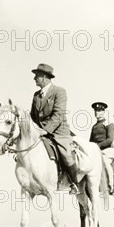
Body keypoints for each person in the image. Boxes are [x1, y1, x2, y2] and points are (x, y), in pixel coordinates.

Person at [29, 63, 79, 195]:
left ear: (44, 77)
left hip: (58, 131)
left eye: (37, 76)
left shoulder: (59, 91)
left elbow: (59, 114)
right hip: (41, 132)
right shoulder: (36, 95)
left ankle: (74, 183)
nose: (34, 78)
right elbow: (33, 116)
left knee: (66, 155)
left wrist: (46, 130)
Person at [90, 101, 114, 194]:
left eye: (99, 110)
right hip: (97, 151)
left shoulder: (108, 123)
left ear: (104, 112)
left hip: (108, 150)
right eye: (95, 111)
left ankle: (110, 186)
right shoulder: (94, 127)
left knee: (104, 162)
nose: (97, 113)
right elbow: (91, 141)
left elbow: (110, 140)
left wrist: (97, 146)